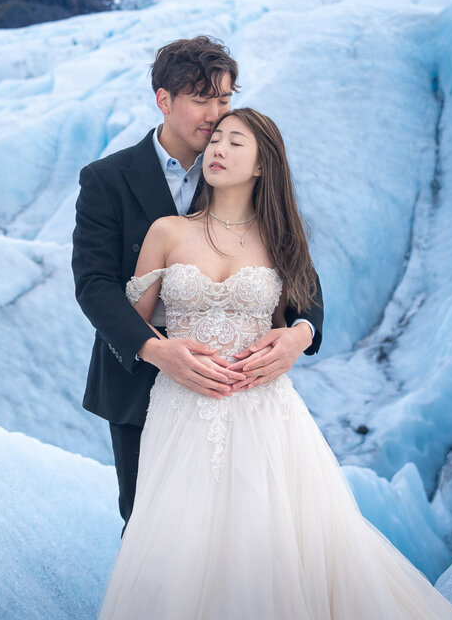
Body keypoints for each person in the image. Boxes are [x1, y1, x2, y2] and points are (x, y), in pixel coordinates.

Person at [96, 108, 452, 619]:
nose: (218, 149)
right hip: (182, 406)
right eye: (216, 140)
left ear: (262, 166)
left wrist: (296, 335)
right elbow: (130, 320)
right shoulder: (166, 231)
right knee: (173, 548)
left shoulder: (282, 239)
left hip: (264, 410)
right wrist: (164, 352)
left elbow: (298, 309)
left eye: (235, 143)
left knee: (268, 548)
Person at [73, 36, 323, 526]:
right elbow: (94, 284)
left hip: (241, 392)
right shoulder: (107, 178)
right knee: (152, 530)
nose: (214, 114)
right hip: (140, 382)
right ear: (164, 100)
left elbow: (300, 277)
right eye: (200, 98)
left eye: (224, 99)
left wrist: (301, 334)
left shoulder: (242, 167)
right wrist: (154, 348)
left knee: (254, 530)